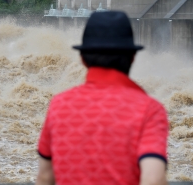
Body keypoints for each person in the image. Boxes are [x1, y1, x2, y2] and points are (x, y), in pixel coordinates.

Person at [36, 11, 168, 185]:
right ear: (132, 57)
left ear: (82, 59)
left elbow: (45, 176)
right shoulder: (149, 109)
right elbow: (153, 179)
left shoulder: (59, 104)